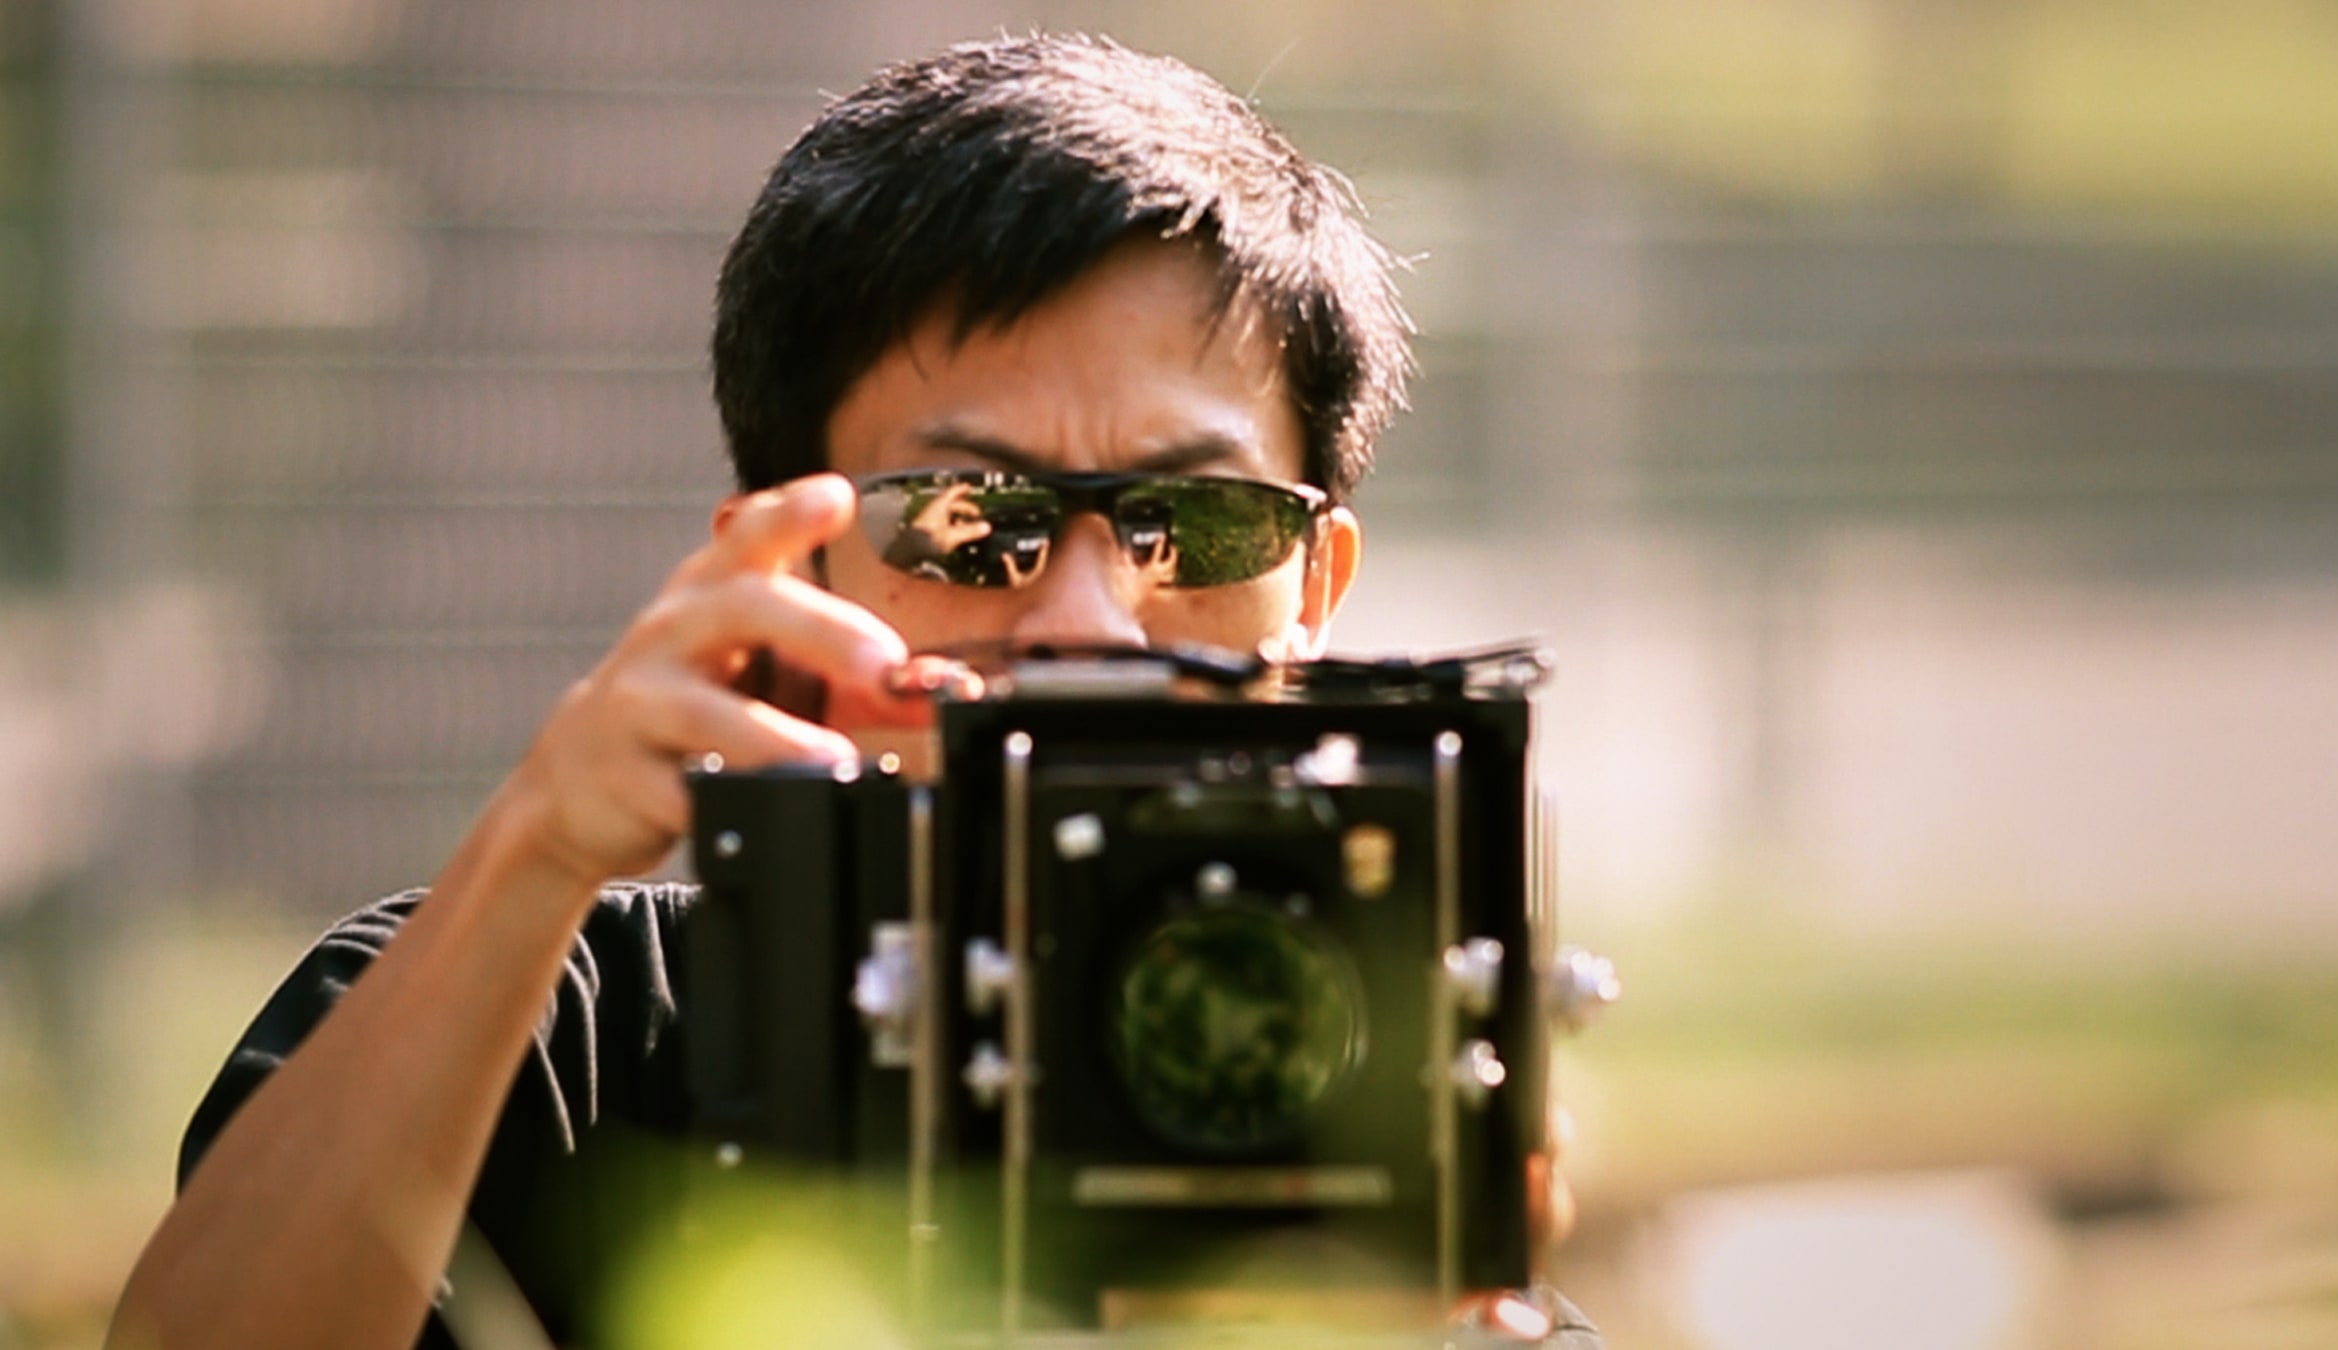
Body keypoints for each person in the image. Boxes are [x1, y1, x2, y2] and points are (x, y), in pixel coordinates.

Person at [108, 35, 1602, 1350]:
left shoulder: (1385, 1116)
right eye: (967, 520)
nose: (1088, 621)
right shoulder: (546, 1033)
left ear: (1315, 587)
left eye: (1193, 525)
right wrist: (533, 859)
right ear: (779, 567)